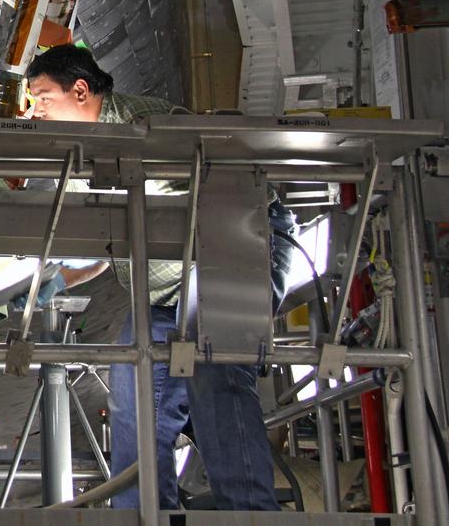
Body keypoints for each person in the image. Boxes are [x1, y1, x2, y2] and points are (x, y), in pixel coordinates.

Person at [24, 43, 292, 511]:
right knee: (132, 387)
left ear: (81, 90)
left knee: (213, 367)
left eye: (43, 97)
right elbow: (114, 243)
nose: (35, 110)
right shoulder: (87, 152)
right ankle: (144, 515)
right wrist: (61, 276)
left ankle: (250, 514)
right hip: (166, 284)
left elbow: (222, 192)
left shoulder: (143, 126)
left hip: (231, 249)